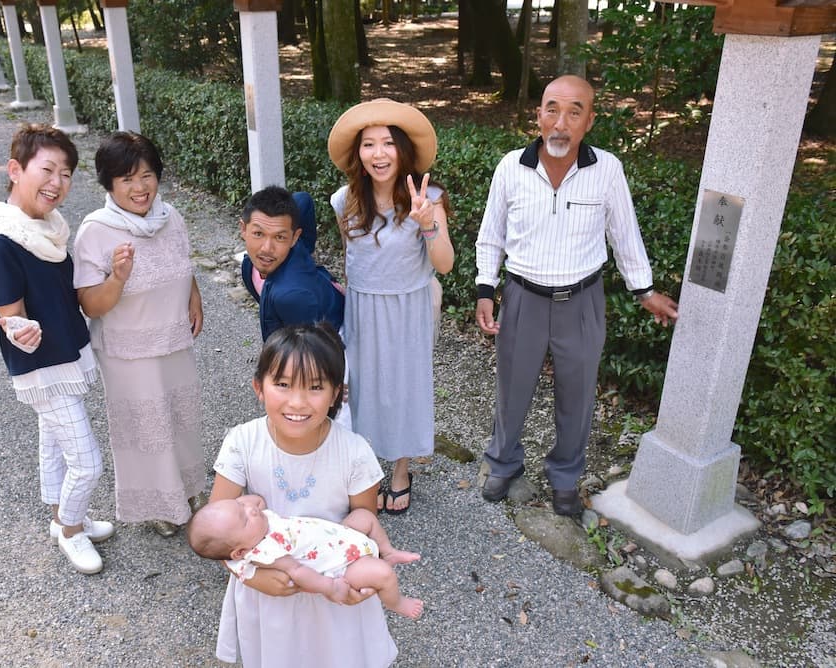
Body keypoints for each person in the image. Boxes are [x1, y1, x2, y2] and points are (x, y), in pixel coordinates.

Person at [474, 75, 680, 517]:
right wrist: (485, 289)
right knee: (511, 390)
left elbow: (625, 233)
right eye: (552, 109)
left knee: (577, 395)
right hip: (523, 297)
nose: (560, 123)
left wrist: (643, 289)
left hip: (582, 301)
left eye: (573, 111)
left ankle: (565, 477)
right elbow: (490, 235)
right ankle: (504, 462)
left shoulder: (607, 169)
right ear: (538, 115)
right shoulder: (511, 167)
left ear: (589, 120)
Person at [0, 123, 113, 575]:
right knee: (87, 462)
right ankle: (71, 530)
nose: (57, 182)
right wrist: (19, 330)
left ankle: (60, 518)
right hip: (43, 366)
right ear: (15, 170)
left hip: (65, 352)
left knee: (53, 443)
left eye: (66, 173)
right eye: (47, 170)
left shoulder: (47, 231)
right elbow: (11, 317)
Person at [208, 323, 398, 668]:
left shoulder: (354, 453)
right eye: (282, 384)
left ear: (337, 393)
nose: (297, 402)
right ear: (259, 388)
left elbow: (363, 530)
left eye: (314, 387)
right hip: (270, 584)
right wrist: (252, 576)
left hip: (335, 583)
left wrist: (363, 581)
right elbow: (217, 533)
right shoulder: (242, 443)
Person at [72, 131, 205, 537]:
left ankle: (187, 489)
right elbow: (90, 305)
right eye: (127, 178)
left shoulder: (171, 216)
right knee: (147, 429)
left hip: (173, 339)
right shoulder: (96, 230)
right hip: (129, 349)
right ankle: (157, 505)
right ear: (109, 184)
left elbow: (181, 263)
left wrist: (193, 296)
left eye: (147, 175)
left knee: (181, 418)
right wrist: (117, 277)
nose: (140, 187)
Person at [327, 98, 455, 515]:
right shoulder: (343, 200)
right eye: (368, 144)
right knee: (360, 388)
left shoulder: (428, 197)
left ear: (403, 149)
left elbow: (446, 264)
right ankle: (364, 471)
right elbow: (352, 257)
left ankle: (400, 470)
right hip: (363, 307)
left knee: (403, 387)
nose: (378, 154)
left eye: (387, 143)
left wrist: (427, 224)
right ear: (358, 154)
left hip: (408, 308)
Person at [188, 494, 423, 619]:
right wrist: (330, 587)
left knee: (364, 516)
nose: (250, 510)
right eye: (244, 518)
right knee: (382, 573)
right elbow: (297, 572)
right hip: (343, 564)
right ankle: (396, 603)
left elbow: (257, 499)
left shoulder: (259, 522)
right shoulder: (265, 552)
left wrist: (239, 507)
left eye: (241, 507)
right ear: (240, 552)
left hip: (341, 535)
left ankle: (388, 552)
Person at [239, 185, 344, 341]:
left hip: (332, 336)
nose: (267, 249)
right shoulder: (249, 267)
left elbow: (310, 357)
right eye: (258, 233)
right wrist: (307, 246)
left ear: (295, 237)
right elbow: (303, 199)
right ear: (243, 229)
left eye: (279, 237)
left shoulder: (292, 296)